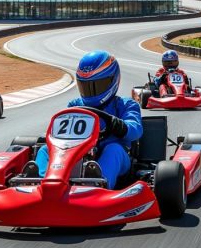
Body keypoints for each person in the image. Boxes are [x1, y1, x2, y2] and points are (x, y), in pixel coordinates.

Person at [28, 50, 142, 189]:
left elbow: (135, 130)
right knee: (45, 150)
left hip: (117, 157)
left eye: (97, 85)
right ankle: (40, 185)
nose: (90, 91)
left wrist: (117, 125)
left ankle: (98, 186)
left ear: (113, 80)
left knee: (113, 150)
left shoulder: (125, 104)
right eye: (86, 86)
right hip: (78, 153)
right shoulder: (75, 105)